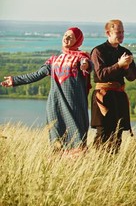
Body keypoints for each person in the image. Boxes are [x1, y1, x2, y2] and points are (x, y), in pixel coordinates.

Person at [1, 27, 92, 157]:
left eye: (71, 37)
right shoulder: (53, 60)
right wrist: (15, 80)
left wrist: (86, 65)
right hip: (55, 105)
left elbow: (88, 65)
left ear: (77, 41)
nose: (66, 38)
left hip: (73, 106)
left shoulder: (80, 58)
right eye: (65, 35)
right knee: (56, 140)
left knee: (77, 139)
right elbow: (37, 74)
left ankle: (79, 169)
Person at [90, 19, 136, 153]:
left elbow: (132, 77)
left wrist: (127, 67)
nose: (121, 35)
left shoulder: (125, 52)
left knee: (118, 133)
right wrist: (119, 65)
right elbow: (101, 75)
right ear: (108, 33)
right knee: (103, 132)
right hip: (103, 96)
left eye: (122, 32)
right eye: (118, 32)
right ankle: (98, 162)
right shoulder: (98, 51)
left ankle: (112, 163)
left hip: (119, 96)